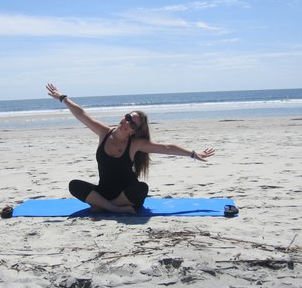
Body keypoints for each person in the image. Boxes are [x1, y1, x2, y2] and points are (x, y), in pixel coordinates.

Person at [46, 83, 216, 214]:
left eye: (132, 123)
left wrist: (193, 154)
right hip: (104, 191)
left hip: (126, 194)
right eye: (127, 117)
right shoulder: (104, 132)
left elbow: (167, 147)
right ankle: (113, 208)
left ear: (136, 131)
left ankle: (102, 205)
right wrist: (63, 98)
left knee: (141, 188)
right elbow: (82, 114)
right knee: (74, 185)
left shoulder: (135, 144)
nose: (127, 122)